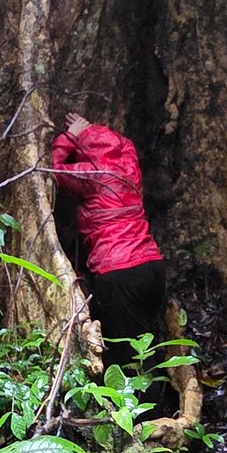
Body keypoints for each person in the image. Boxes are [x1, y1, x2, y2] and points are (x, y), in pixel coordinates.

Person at [51, 114, 166, 361]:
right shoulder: (129, 167)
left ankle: (145, 399)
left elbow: (52, 170)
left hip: (118, 274)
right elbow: (126, 145)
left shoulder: (91, 173)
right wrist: (93, 130)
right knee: (143, 341)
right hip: (152, 267)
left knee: (126, 354)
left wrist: (71, 136)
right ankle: (157, 395)